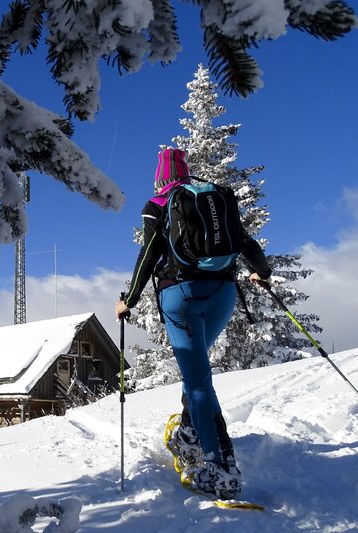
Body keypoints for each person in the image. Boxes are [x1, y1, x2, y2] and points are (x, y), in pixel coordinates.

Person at [115, 147, 272, 500]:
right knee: (197, 372)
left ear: (160, 178)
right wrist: (262, 273)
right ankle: (189, 430)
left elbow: (149, 253)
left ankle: (219, 466)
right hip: (222, 294)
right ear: (185, 173)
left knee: (198, 379)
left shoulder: (159, 203)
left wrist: (129, 299)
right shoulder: (213, 198)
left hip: (181, 297)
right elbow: (245, 242)